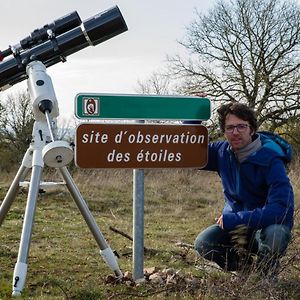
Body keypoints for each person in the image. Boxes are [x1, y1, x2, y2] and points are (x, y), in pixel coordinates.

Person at [194, 102, 294, 278]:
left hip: (265, 227)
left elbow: (281, 210)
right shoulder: (221, 152)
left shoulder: (271, 159)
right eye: (230, 127)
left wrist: (237, 219)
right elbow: (189, 153)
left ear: (252, 129)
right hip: (237, 228)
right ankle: (246, 270)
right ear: (224, 131)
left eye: (241, 126)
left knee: (276, 234)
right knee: (204, 242)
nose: (235, 132)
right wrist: (192, 118)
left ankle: (266, 275)